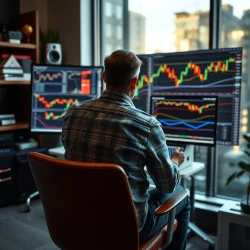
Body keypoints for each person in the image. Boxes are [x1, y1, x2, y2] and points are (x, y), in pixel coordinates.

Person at [61, 49, 190, 250]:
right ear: (134, 83)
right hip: (127, 227)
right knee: (182, 194)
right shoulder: (147, 125)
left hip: (79, 217)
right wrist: (175, 161)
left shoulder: (73, 112)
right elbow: (167, 186)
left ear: (104, 77)